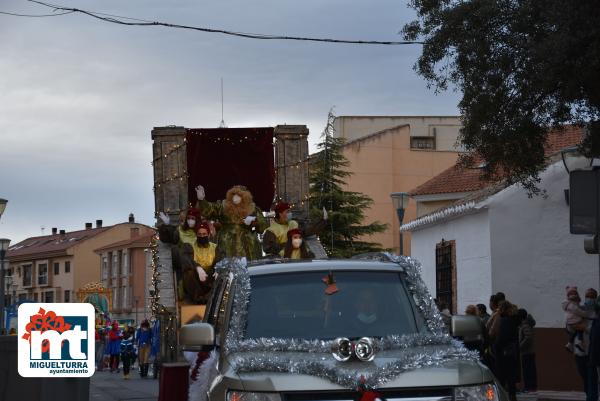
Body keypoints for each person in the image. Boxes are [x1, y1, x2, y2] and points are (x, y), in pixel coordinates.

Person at [195, 184, 268, 261]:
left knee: (249, 267)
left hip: (248, 245)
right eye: (234, 194)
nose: (236, 197)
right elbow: (210, 210)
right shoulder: (223, 206)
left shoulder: (252, 208)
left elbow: (262, 225)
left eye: (239, 195)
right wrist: (202, 200)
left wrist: (254, 222)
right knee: (227, 266)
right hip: (227, 242)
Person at [494, 300, 520, 401]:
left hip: (503, 353)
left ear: (503, 309)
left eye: (500, 308)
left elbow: (502, 338)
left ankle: (502, 397)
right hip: (512, 351)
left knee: (502, 376)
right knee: (511, 376)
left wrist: (496, 346)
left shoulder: (505, 320)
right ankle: (512, 396)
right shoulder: (514, 319)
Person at [563, 286, 592, 353]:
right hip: (573, 321)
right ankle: (579, 341)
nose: (574, 295)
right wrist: (587, 314)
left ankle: (570, 344)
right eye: (572, 294)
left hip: (572, 321)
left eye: (575, 293)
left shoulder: (573, 304)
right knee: (581, 329)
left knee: (577, 330)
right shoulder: (572, 305)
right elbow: (579, 312)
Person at [517, 308, 537, 393]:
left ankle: (529, 387)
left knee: (528, 370)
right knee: (529, 369)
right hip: (529, 351)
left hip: (527, 351)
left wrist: (520, 346)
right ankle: (530, 387)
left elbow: (528, 337)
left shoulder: (525, 325)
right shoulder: (526, 324)